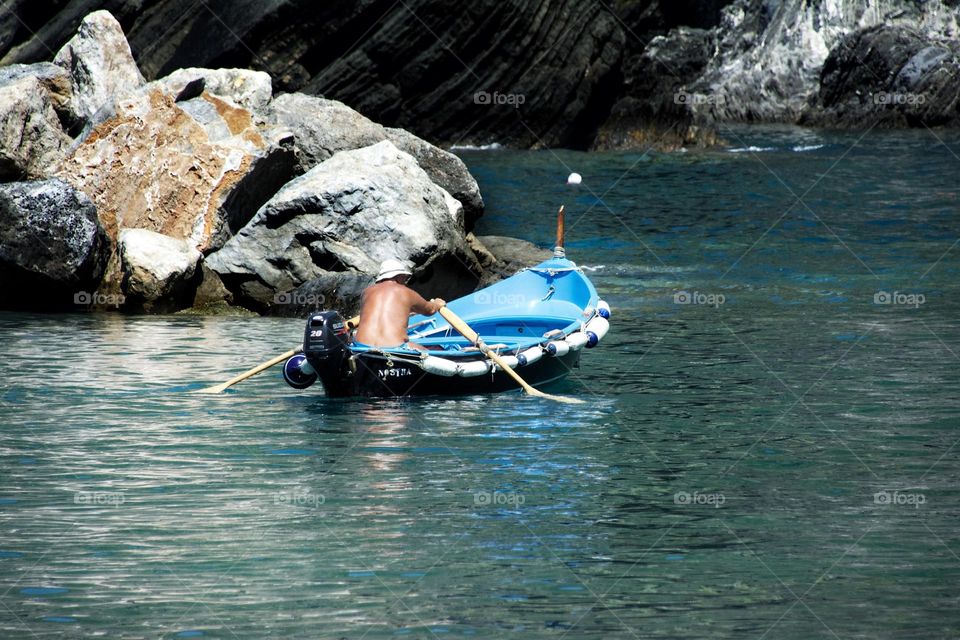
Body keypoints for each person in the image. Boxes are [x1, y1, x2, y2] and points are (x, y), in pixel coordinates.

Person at [354, 259, 445, 350]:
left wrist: (408, 312)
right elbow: (430, 310)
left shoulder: (366, 292)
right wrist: (437, 303)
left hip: (361, 346)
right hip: (393, 348)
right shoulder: (406, 292)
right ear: (398, 277)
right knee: (438, 350)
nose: (405, 281)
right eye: (405, 277)